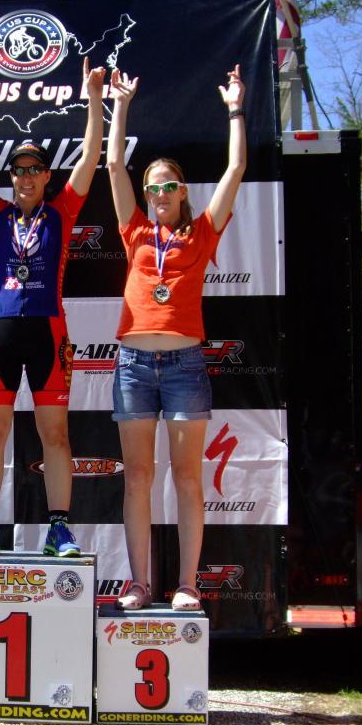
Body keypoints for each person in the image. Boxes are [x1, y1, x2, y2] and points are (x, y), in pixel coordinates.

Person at [0, 60, 106, 557]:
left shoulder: (63, 211)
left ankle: (59, 529)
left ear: (47, 175)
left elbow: (92, 156)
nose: (27, 176)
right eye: (20, 169)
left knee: (55, 434)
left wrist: (94, 100)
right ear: (12, 176)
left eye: (35, 168)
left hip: (48, 333)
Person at [105, 65, 247, 611]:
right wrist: (120, 105)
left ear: (183, 192)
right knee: (138, 478)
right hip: (134, 366)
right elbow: (113, 164)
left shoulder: (202, 232)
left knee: (187, 478)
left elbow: (237, 167)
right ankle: (139, 584)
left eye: (169, 185)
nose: (160, 193)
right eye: (153, 187)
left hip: (185, 364)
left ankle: (187, 583)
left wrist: (235, 109)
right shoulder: (135, 230)